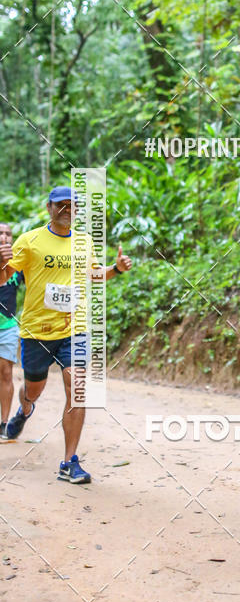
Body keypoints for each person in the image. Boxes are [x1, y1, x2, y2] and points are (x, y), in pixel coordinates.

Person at [0, 186, 132, 483]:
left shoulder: (85, 242)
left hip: (75, 329)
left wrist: (116, 268)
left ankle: (69, 461)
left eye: (73, 205)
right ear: (49, 207)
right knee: (34, 389)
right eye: (62, 204)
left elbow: (94, 275)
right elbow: (3, 278)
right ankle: (25, 407)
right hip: (36, 331)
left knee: (78, 386)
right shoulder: (29, 241)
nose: (68, 209)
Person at [0, 223, 23, 439]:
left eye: (8, 234)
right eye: (1, 233)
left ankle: (4, 423)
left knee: (6, 372)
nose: (5, 236)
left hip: (7, 327)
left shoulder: (18, 265)